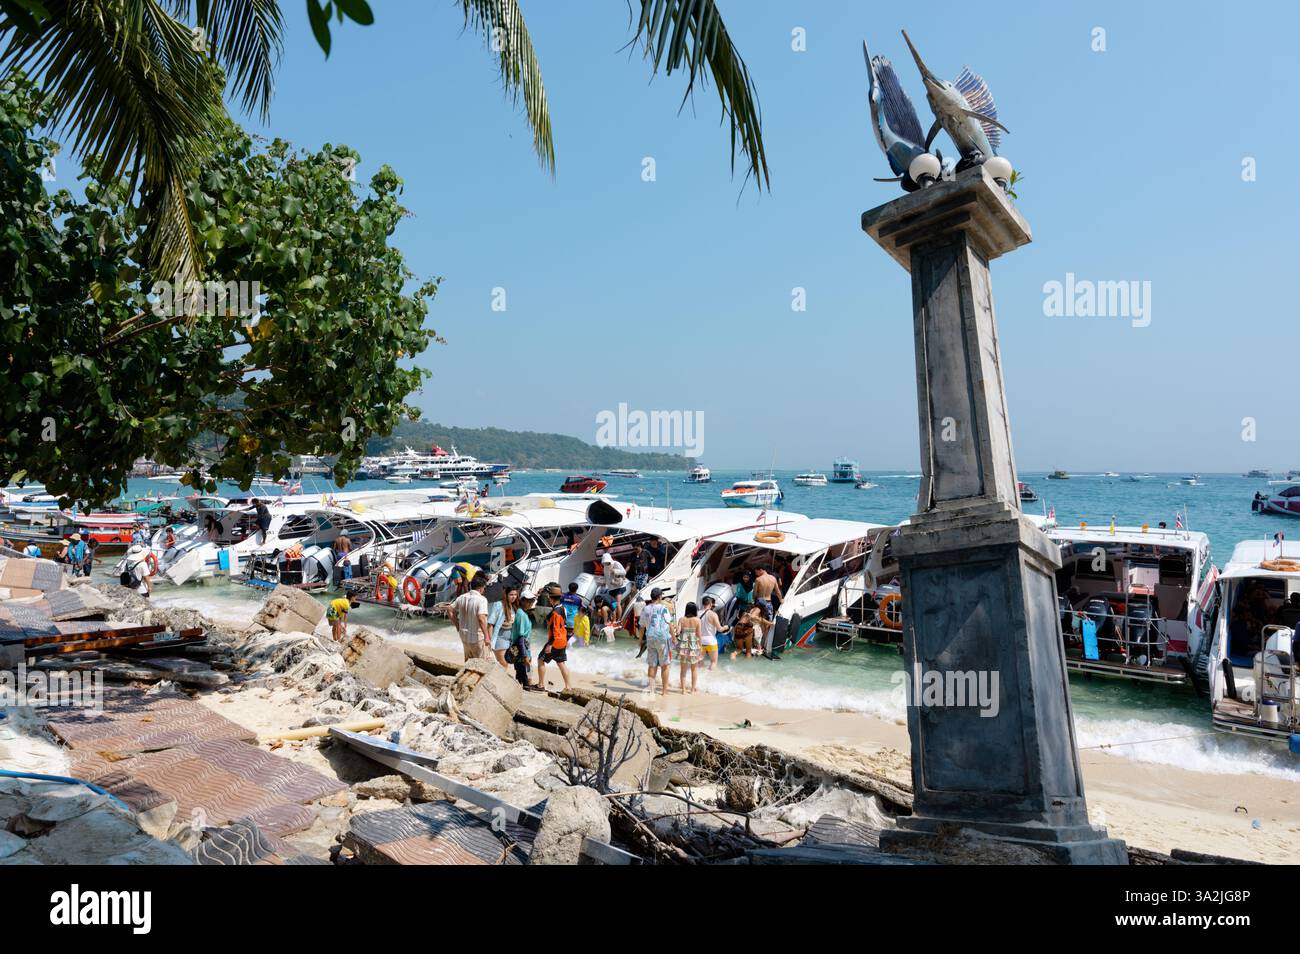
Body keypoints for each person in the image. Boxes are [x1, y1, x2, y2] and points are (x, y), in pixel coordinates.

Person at [640, 588, 676, 694]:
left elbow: (641, 627)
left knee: (652, 664)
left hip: (650, 638)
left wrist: (640, 640)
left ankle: (651, 689)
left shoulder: (645, 609)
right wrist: (674, 638)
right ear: (660, 597)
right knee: (665, 665)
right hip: (662, 638)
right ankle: (664, 691)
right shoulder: (663, 608)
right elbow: (669, 624)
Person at [536, 584, 571, 692]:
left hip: (555, 641)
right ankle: (568, 687)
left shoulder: (555, 612)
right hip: (562, 640)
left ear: (550, 598)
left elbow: (555, 629)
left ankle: (541, 685)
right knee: (561, 663)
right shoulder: (563, 609)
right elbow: (563, 626)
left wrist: (550, 644)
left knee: (540, 659)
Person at [452, 574, 491, 660]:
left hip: (464, 635)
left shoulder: (461, 597)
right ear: (481, 588)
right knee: (481, 662)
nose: (484, 590)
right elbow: (481, 618)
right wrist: (487, 636)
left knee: (468, 660)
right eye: (484, 588)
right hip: (477, 637)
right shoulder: (482, 599)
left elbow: (449, 609)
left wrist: (457, 625)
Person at [509, 589, 537, 689]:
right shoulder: (521, 614)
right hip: (521, 651)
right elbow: (521, 638)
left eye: (532, 601)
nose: (530, 603)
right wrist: (525, 656)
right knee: (523, 680)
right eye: (528, 600)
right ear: (522, 601)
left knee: (521, 678)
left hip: (524, 650)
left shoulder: (524, 614)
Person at [753, 567, 783, 659]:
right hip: (769, 602)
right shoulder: (773, 578)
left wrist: (754, 601)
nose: (756, 573)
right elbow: (777, 591)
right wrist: (781, 599)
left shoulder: (758, 579)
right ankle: (764, 645)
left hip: (760, 601)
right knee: (767, 626)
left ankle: (757, 645)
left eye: (756, 571)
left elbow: (754, 593)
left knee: (756, 622)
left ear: (761, 569)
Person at [489, 585, 519, 669]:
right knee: (503, 663)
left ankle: (498, 679)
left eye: (515, 595)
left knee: (508, 662)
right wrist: (490, 641)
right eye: (511, 595)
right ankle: (501, 681)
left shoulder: (514, 606)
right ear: (506, 594)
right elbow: (490, 623)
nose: (514, 597)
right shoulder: (499, 605)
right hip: (500, 636)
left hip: (510, 639)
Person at [675, 602, 703, 693]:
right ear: (695, 610)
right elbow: (699, 635)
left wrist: (677, 629)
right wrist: (700, 648)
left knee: (683, 670)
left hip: (683, 646)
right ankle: (692, 690)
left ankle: (683, 690)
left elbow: (678, 632)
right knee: (694, 669)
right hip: (694, 647)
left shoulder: (681, 619)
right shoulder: (697, 620)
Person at [699, 594, 729, 671]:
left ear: (703, 604)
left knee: (700, 662)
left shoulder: (697, 613)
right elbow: (719, 629)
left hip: (700, 641)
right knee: (713, 662)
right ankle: (710, 678)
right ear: (711, 604)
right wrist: (726, 627)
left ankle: (700, 678)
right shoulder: (713, 614)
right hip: (711, 641)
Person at [602, 552, 628, 616]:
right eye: (605, 562)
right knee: (613, 604)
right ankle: (614, 619)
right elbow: (606, 577)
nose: (606, 563)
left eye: (607, 562)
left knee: (618, 603)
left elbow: (624, 572)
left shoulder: (616, 563)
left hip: (619, 586)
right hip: (611, 588)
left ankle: (619, 620)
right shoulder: (605, 567)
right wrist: (605, 584)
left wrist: (615, 571)